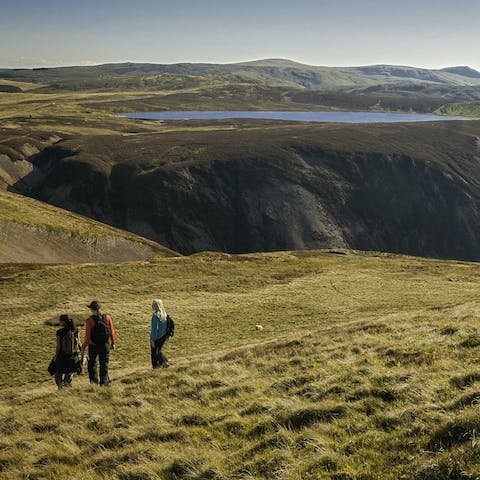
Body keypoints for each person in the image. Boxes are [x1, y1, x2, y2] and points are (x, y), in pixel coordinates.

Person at [81, 301, 116, 386]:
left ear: (92, 310)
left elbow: (88, 336)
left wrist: (83, 347)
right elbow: (112, 332)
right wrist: (113, 343)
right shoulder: (107, 318)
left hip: (93, 345)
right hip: (105, 344)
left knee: (92, 363)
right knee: (104, 363)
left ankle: (94, 383)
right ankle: (104, 383)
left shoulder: (89, 320)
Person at [54, 314, 80, 390]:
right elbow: (79, 343)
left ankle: (60, 388)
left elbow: (58, 346)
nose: (59, 322)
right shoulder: (75, 330)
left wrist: (56, 356)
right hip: (72, 355)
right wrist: (81, 353)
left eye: (60, 321)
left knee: (58, 372)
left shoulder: (59, 332)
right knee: (69, 372)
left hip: (62, 355)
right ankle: (68, 387)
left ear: (63, 322)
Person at [150, 299, 174, 369]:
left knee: (154, 353)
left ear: (157, 306)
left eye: (153, 304)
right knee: (158, 350)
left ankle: (160, 364)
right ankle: (163, 363)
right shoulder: (164, 314)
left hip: (157, 337)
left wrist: (152, 339)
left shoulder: (155, 315)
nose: (152, 305)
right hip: (163, 336)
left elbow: (155, 329)